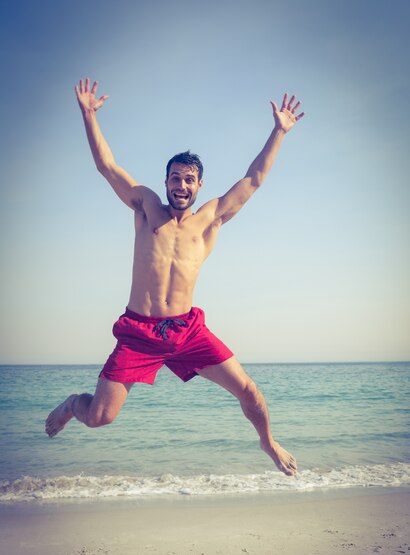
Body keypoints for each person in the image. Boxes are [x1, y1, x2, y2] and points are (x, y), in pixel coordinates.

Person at [45, 78, 304, 477]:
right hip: (139, 331)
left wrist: (278, 131)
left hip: (186, 330)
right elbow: (106, 166)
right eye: (174, 178)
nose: (180, 185)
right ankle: (69, 406)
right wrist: (88, 115)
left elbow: (253, 180)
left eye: (188, 179)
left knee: (250, 391)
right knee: (99, 416)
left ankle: (268, 442)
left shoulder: (211, 217)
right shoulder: (147, 207)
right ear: (165, 182)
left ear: (199, 184)